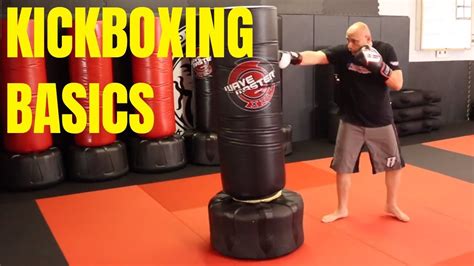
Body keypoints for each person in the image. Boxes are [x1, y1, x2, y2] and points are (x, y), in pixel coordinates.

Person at [279, 22, 410, 223]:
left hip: (380, 120)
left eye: (354, 41)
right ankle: (342, 208)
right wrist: (294, 57)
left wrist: (379, 67)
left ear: (368, 39)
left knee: (394, 166)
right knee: (343, 167)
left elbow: (398, 83)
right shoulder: (343, 52)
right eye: (348, 39)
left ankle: (391, 204)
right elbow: (318, 56)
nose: (349, 45)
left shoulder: (385, 50)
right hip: (351, 120)